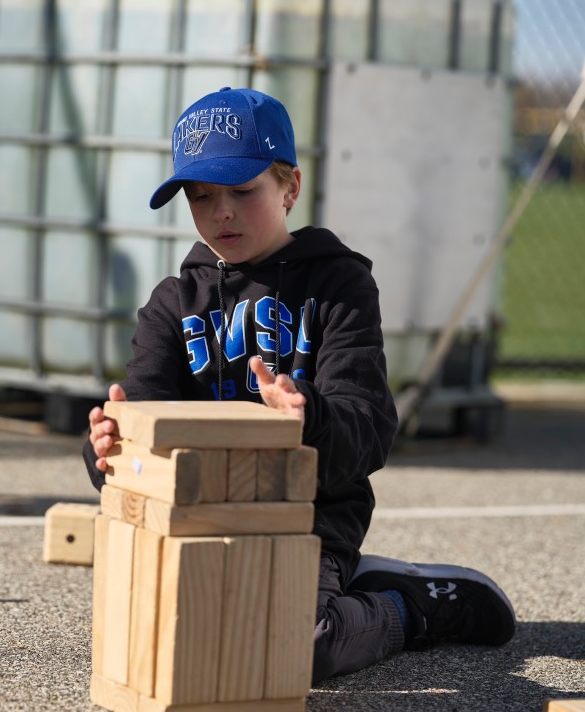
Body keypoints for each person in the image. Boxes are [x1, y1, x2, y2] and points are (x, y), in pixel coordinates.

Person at [82, 86, 515, 683]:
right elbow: (145, 420)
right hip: (203, 520)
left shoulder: (340, 287)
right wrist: (110, 447)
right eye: (201, 195)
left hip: (311, 519)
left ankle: (410, 606)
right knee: (166, 640)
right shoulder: (171, 304)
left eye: (242, 190)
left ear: (289, 187)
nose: (221, 211)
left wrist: (307, 415)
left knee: (294, 651)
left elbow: (369, 428)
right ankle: (351, 589)